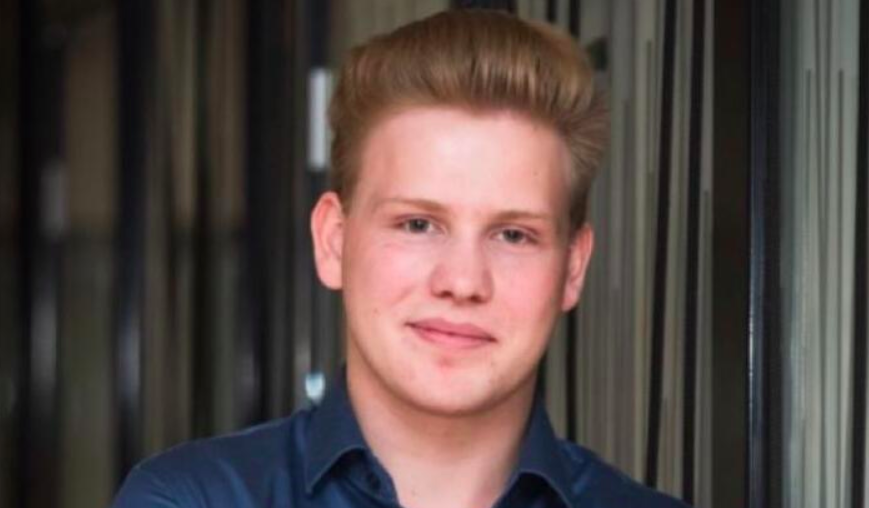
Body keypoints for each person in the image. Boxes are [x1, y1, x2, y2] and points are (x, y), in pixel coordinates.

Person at [112, 9, 689, 508]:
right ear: (333, 241)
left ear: (573, 267)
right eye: (418, 224)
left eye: (513, 235)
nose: (462, 280)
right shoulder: (191, 499)